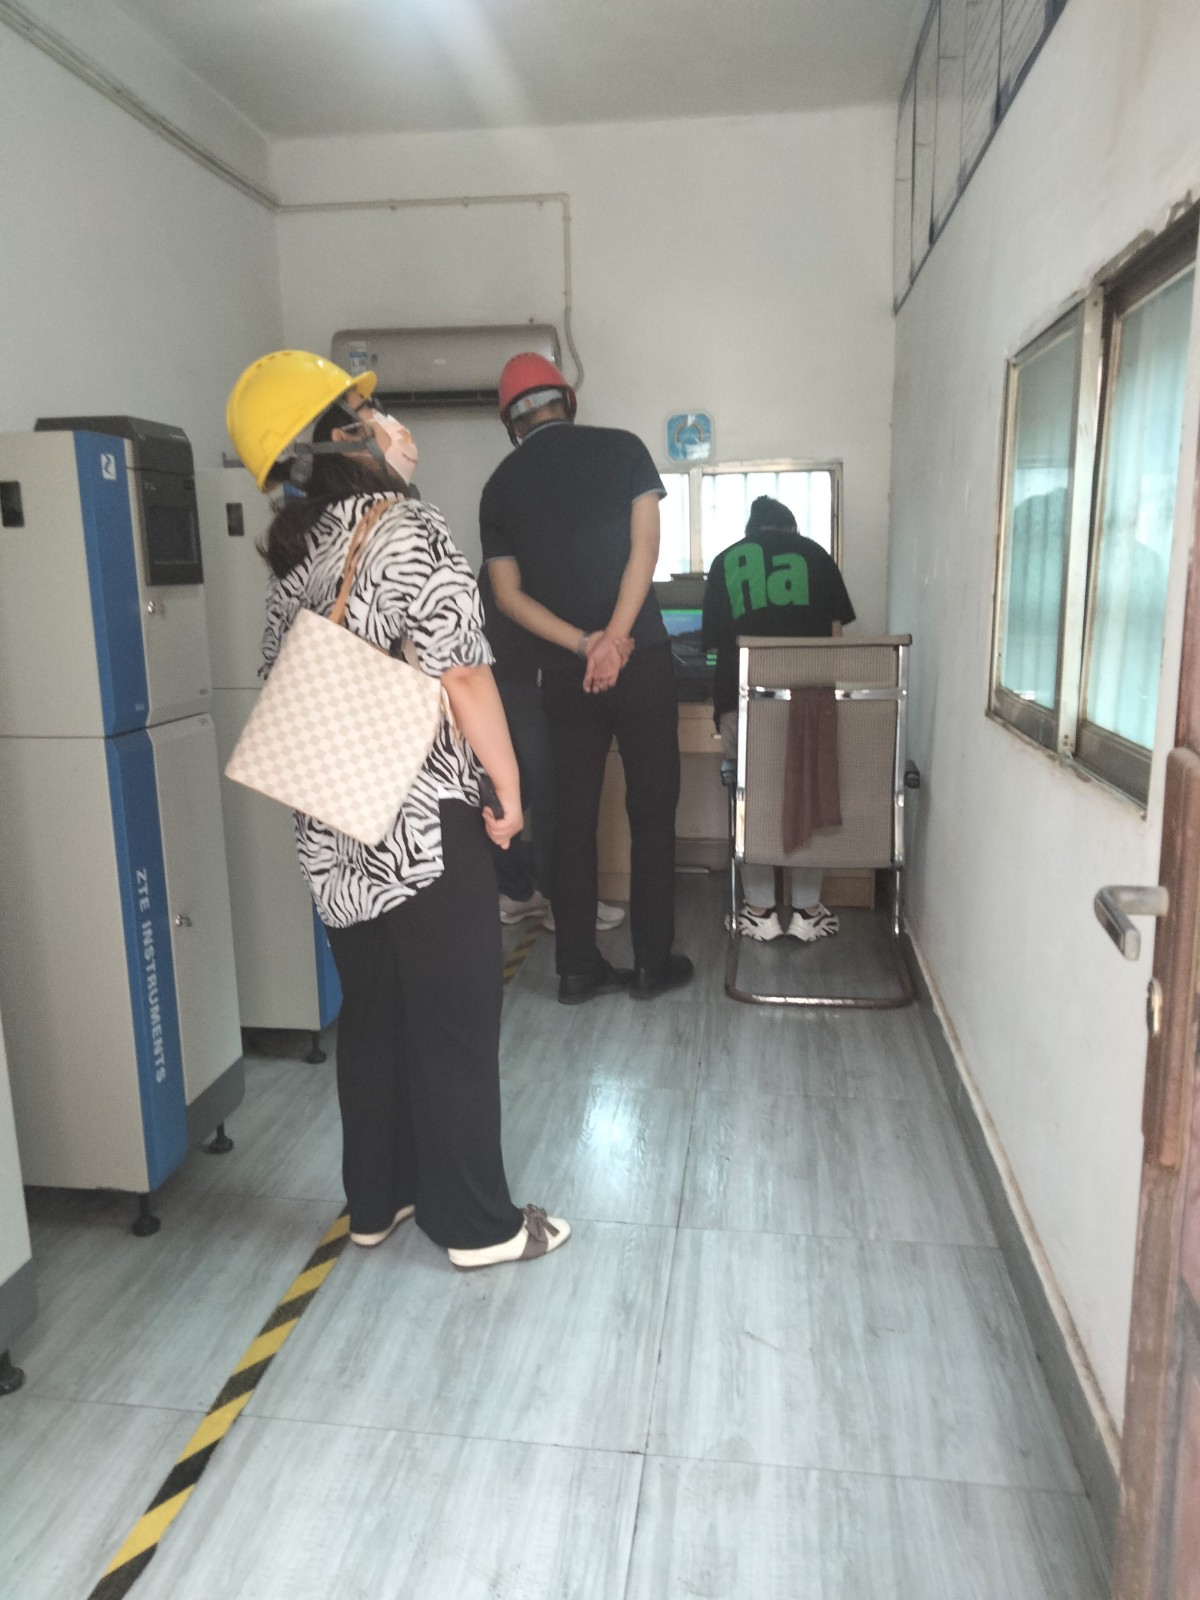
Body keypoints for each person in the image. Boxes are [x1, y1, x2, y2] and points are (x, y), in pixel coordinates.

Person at [225, 349, 568, 1269]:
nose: (386, 422)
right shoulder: (407, 525)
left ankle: (379, 1201)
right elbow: (463, 671)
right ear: (339, 435)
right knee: (456, 1020)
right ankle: (480, 1227)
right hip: (420, 823)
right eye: (363, 409)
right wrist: (509, 788)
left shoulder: (296, 551)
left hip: (333, 820)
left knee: (373, 1016)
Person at [479, 353, 692, 1005]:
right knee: (651, 809)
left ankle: (576, 968)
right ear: (566, 400)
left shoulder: (499, 486)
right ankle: (652, 963)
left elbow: (507, 596)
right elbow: (645, 551)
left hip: (567, 673)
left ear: (511, 423)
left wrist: (584, 645)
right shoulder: (624, 450)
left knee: (571, 819)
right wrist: (618, 640)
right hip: (642, 659)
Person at [701, 494, 856, 942]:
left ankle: (759, 910)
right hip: (809, 705)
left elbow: (713, 645)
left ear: (751, 531)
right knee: (810, 790)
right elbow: (835, 639)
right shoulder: (817, 556)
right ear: (791, 528)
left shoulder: (725, 562)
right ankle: (807, 910)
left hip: (743, 705)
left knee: (752, 799)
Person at [476, 564, 625, 936]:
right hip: (533, 679)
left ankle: (515, 892)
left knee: (512, 787)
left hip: (498, 677)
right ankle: (561, 900)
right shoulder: (537, 555)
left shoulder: (496, 559)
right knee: (552, 789)